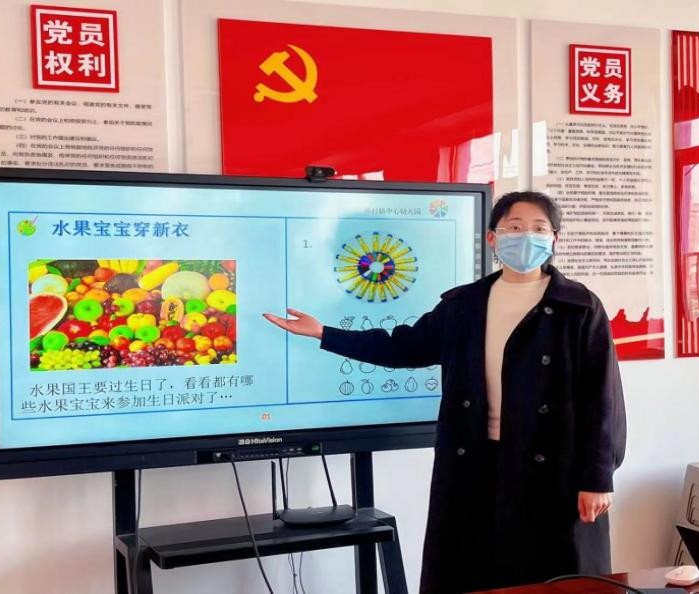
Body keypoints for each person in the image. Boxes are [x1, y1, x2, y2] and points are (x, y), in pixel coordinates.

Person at [263, 191, 627, 593]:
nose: (527, 236)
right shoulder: (465, 304)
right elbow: (403, 347)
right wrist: (325, 333)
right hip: (476, 463)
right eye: (515, 227)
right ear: (493, 238)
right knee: (474, 574)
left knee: (553, 580)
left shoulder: (578, 306)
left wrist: (598, 478)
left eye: (539, 228)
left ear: (554, 238)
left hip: (554, 471)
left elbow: (602, 400)